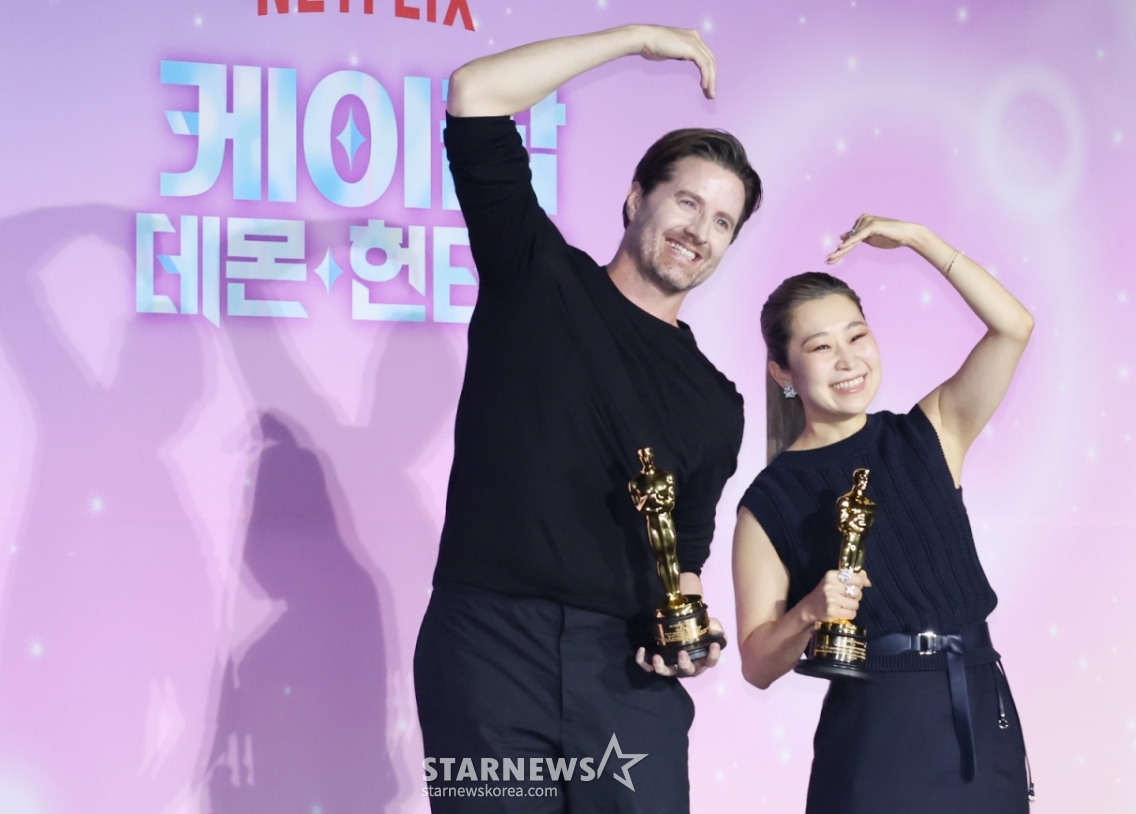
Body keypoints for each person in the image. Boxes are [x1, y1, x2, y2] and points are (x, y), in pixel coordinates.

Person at [413, 25, 762, 813]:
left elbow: (686, 554)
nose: (698, 231)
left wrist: (690, 636)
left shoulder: (718, 402)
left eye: (721, 222)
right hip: (491, 647)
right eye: (686, 200)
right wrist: (636, 38)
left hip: (629, 674)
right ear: (637, 197)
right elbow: (475, 96)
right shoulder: (537, 276)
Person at [732, 215, 1035, 813]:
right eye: (820, 347)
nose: (847, 360)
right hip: (877, 731)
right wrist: (808, 613)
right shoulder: (768, 501)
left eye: (857, 336)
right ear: (783, 374)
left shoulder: (929, 432)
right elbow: (757, 663)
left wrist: (919, 240)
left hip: (977, 704)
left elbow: (1014, 327)